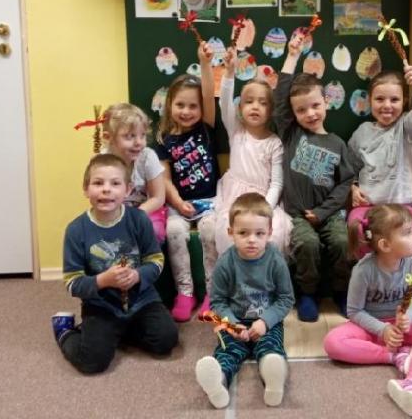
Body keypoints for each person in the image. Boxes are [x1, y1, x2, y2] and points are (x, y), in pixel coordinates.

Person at [51, 153, 178, 374]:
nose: (106, 190)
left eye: (115, 183)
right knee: (92, 362)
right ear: (86, 189)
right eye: (98, 183)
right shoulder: (76, 230)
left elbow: (155, 260)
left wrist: (138, 276)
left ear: (128, 190)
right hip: (102, 305)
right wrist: (103, 280)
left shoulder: (139, 219)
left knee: (166, 340)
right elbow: (72, 283)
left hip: (142, 300)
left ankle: (117, 332)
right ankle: (65, 331)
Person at [323, 204, 412, 418]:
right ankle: (394, 356)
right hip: (372, 327)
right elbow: (354, 311)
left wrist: (409, 318)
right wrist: (382, 330)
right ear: (385, 244)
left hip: (401, 327)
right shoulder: (363, 271)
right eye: (408, 232)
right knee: (333, 342)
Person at [274, 32, 357, 321]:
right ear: (293, 114)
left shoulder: (337, 143)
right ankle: (307, 293)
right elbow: (280, 98)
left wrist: (323, 212)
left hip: (329, 214)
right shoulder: (291, 133)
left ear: (326, 102)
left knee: (342, 243)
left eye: (315, 105)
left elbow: (345, 182)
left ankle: (341, 291)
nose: (310, 113)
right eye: (301, 110)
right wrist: (292, 56)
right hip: (298, 215)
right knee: (307, 245)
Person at [195, 193, 294, 409]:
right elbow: (217, 302)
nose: (251, 239)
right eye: (243, 233)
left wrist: (265, 322)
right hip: (234, 320)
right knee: (228, 351)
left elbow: (286, 299)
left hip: (266, 321)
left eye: (259, 233)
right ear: (230, 232)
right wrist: (232, 324)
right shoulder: (225, 263)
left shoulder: (276, 260)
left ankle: (273, 378)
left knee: (270, 348)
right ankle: (219, 382)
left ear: (269, 233)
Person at [155, 42, 220, 322]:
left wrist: (204, 63)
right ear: (170, 105)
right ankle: (185, 292)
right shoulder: (164, 140)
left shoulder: (206, 128)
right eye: (180, 104)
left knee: (209, 230)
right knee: (173, 231)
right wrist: (179, 203)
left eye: (193, 106)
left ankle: (212, 293)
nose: (187, 111)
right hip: (179, 203)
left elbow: (208, 94)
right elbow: (165, 179)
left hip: (210, 202)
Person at [213, 47, 292, 256]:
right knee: (228, 232)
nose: (255, 107)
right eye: (249, 102)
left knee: (275, 233)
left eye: (262, 103)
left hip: (264, 199)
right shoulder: (236, 130)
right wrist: (229, 72)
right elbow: (224, 102)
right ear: (240, 108)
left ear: (271, 111)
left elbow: (276, 183)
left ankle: (267, 273)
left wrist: (264, 209)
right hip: (235, 198)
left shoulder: (274, 143)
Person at [348, 66, 412, 258]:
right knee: (355, 227)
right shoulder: (362, 132)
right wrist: (353, 187)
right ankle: (369, 268)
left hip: (402, 207)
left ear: (404, 101)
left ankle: (408, 267)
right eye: (379, 99)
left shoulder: (408, 127)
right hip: (370, 208)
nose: (387, 105)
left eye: (394, 100)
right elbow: (349, 166)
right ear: (370, 101)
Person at [100, 102, 167, 242]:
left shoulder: (147, 157)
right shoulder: (103, 161)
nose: (139, 142)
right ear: (108, 137)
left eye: (142, 135)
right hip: (114, 212)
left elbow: (158, 197)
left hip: (147, 210)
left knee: (152, 230)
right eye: (130, 136)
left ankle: (151, 257)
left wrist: (135, 215)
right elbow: (100, 195)